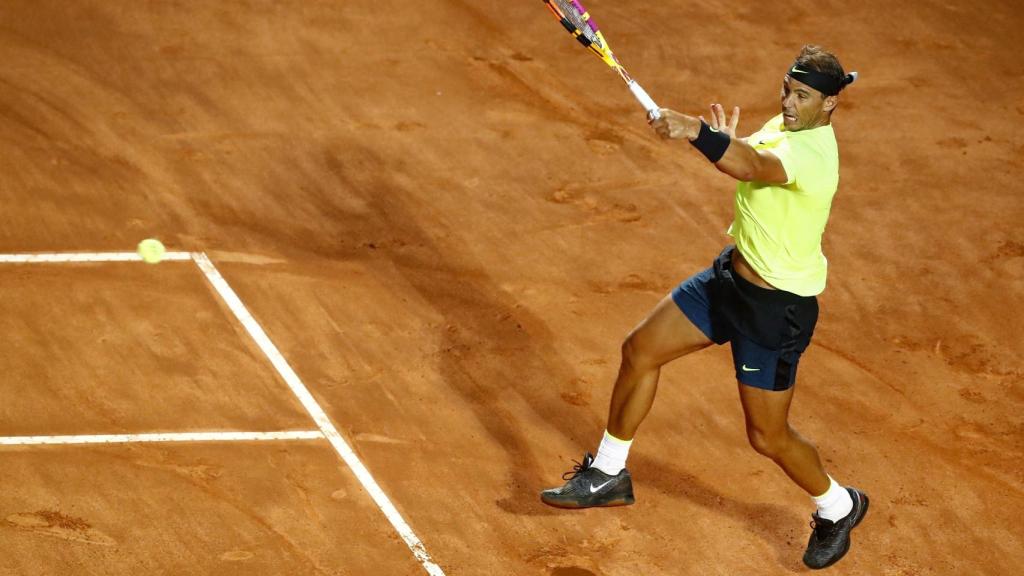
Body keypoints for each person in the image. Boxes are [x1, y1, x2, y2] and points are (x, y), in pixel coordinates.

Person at [540, 45, 868, 570]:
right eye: (786, 88)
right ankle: (608, 472)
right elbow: (746, 154)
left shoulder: (813, 154)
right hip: (727, 281)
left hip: (775, 310)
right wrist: (718, 139)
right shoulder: (787, 126)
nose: (787, 101)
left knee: (767, 436)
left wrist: (697, 131)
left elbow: (753, 165)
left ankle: (838, 505)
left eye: (802, 96)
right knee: (640, 349)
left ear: (829, 105)